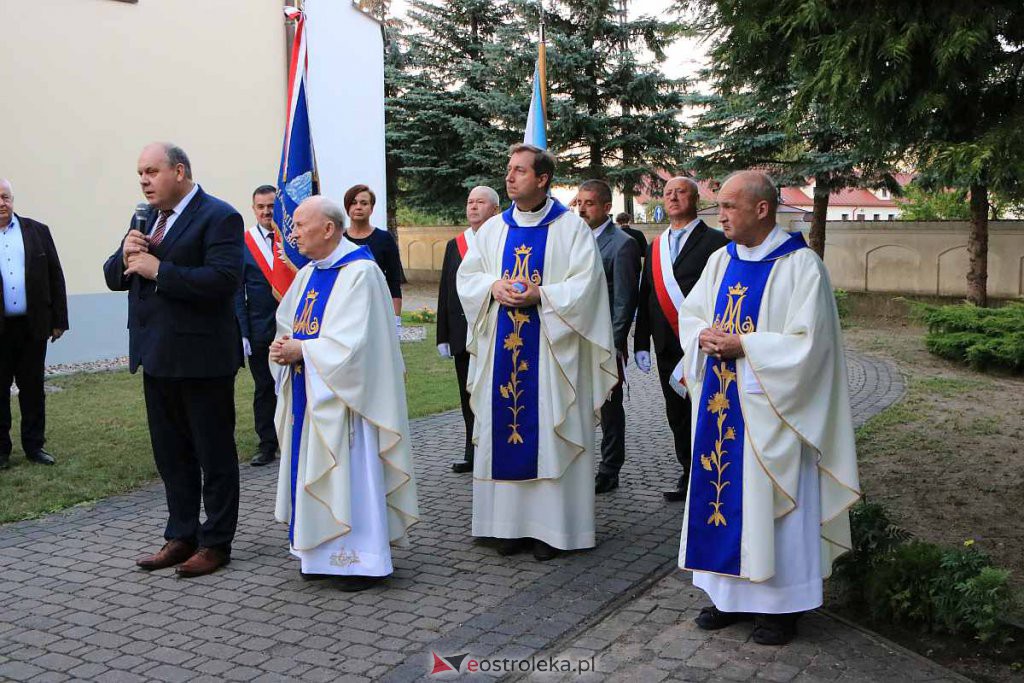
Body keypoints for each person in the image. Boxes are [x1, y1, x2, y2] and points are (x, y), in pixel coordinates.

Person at [677, 171, 860, 645]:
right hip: (721, 404)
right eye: (720, 207)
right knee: (722, 497)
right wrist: (703, 336)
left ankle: (780, 608)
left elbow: (811, 346)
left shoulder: (802, 267)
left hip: (774, 411)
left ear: (762, 209)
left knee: (773, 507)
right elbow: (693, 313)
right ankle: (727, 598)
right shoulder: (720, 260)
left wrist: (747, 346)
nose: (721, 216)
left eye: (730, 207)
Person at [457, 143, 617, 561]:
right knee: (504, 429)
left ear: (543, 179)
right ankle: (506, 527)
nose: (509, 177)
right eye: (508, 170)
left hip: (551, 357)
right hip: (501, 352)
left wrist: (541, 295)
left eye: (519, 171)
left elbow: (588, 288)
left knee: (549, 431)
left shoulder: (571, 229)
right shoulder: (493, 229)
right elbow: (468, 276)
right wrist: (492, 287)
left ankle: (553, 531)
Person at [103, 143, 242, 578]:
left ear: (179, 172)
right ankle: (180, 535)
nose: (143, 180)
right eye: (139, 173)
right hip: (157, 357)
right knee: (171, 455)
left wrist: (159, 270)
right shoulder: (144, 220)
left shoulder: (220, 216)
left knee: (213, 453)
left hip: (202, 359)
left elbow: (222, 280)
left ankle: (216, 542)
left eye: (151, 171)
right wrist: (125, 252)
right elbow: (115, 277)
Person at [270, 196, 418, 591]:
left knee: (351, 474)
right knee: (314, 468)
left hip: (350, 402)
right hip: (312, 393)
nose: (294, 233)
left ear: (329, 229)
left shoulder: (361, 273)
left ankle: (359, 561)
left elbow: (357, 345)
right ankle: (318, 554)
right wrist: (283, 347)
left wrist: (304, 350)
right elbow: (288, 321)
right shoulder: (308, 274)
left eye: (301, 225)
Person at [634, 177, 727, 502]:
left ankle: (710, 475)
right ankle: (687, 472)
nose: (672, 198)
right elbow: (646, 296)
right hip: (665, 346)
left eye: (681, 192)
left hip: (700, 346)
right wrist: (641, 343)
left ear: (695, 199)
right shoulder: (655, 246)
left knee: (702, 411)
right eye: (668, 193)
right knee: (676, 414)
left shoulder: (716, 241)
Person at [577, 180, 640, 494]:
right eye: (579, 202)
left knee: (609, 405)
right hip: (575, 338)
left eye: (589, 203)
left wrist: (614, 344)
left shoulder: (623, 244)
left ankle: (609, 468)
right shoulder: (574, 240)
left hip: (604, 340)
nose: (582, 209)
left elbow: (624, 301)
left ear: (606, 207)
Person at [0, 178, 68, 470]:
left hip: (32, 327)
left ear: (13, 199)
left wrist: (59, 321)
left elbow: (56, 275)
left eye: (5, 197)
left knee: (32, 389)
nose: (2, 203)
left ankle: (34, 446)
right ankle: (1, 451)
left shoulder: (37, 231)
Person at [437, 186, 500, 474]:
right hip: (463, 333)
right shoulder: (456, 244)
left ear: (495, 209)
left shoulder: (502, 241)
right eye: (470, 202)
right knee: (468, 395)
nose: (473, 207)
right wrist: (443, 335)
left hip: (494, 330)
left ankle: (496, 450)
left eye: (480, 202)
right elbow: (446, 291)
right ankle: (471, 451)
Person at [235, 185, 282, 467]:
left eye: (271, 206)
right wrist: (242, 331)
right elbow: (236, 292)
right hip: (259, 329)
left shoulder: (291, 239)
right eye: (261, 207)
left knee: (294, 385)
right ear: (253, 209)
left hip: (292, 327)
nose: (266, 212)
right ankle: (267, 444)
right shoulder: (243, 243)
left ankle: (295, 438)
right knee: (265, 387)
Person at [342, 184, 403, 328]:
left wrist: (396, 319)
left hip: (376, 308)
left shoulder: (385, 239)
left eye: (364, 203)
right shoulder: (338, 240)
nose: (358, 207)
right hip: (343, 310)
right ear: (347, 207)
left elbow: (394, 281)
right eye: (353, 203)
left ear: (372, 208)